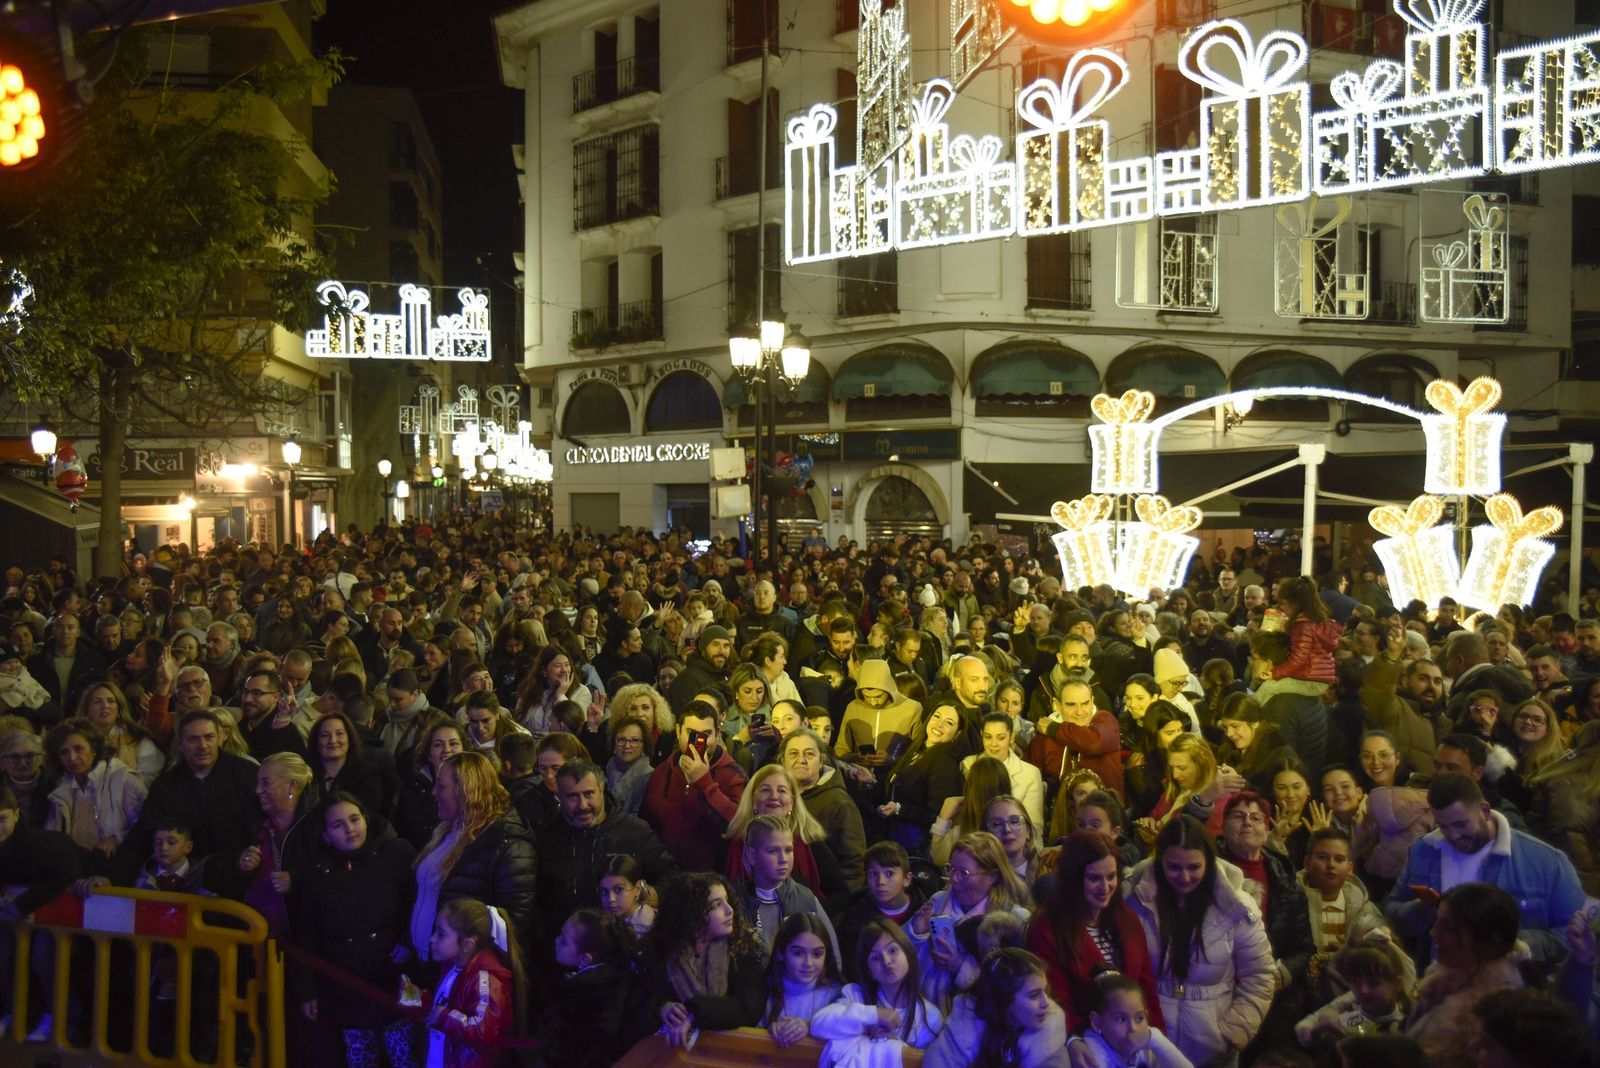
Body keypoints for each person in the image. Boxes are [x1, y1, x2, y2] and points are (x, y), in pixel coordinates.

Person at [1384, 772, 1586, 968]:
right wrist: (1418, 912)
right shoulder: (1423, 850)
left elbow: (1577, 935)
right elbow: (1391, 913)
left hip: (1511, 992)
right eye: (1443, 826)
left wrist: (1514, 945)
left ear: (1485, 811)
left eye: (1461, 824)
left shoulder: (1545, 861)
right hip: (1442, 986)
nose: (1453, 835)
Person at [1124, 815, 1276, 1067]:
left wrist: (1232, 1032)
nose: (1184, 876)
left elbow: (1259, 975)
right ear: (1160, 861)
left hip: (1214, 1049)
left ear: (1208, 861)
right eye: (1174, 867)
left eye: (1193, 867)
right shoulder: (1135, 901)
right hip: (1150, 1044)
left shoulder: (1236, 907)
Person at [293, 792, 419, 1068]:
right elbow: (306, 935)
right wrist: (306, 991)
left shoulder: (397, 854)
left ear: (366, 820)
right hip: (346, 986)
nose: (350, 829)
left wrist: (408, 941)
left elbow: (418, 906)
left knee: (405, 1057)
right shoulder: (316, 874)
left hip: (394, 979)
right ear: (326, 835)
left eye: (354, 819)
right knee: (360, 1059)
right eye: (338, 825)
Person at [1028, 830, 1163, 1032]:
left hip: (1135, 1035)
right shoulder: (1046, 926)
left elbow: (1146, 989)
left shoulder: (1127, 918)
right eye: (1094, 878)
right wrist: (1077, 1038)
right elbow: (1056, 999)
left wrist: (1156, 1037)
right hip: (1083, 1039)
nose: (1105, 887)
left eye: (1111, 876)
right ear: (1073, 878)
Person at [411, 751, 539, 964]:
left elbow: (513, 923)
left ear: (466, 791)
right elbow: (425, 894)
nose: (433, 792)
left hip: (460, 968)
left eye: (441, 786)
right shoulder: (448, 829)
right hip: (430, 960)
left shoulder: (508, 843)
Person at [115, 709, 259, 887]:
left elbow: (262, 829)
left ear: (221, 738)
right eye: (193, 739)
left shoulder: (247, 775)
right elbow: (142, 835)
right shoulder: (166, 786)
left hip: (241, 878)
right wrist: (112, 878)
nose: (203, 745)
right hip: (187, 883)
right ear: (181, 744)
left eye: (209, 737)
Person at [536, 758, 675, 935]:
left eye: (589, 794)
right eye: (572, 796)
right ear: (559, 797)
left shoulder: (635, 832)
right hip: (566, 947)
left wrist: (651, 892)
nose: (582, 805)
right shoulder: (546, 836)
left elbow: (670, 875)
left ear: (602, 790)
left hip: (622, 946)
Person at [639, 871, 767, 1048]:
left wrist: (694, 1014)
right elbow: (641, 1000)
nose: (729, 910)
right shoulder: (659, 951)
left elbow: (750, 1008)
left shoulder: (742, 947)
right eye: (716, 905)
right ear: (691, 912)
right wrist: (662, 1008)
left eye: (727, 900)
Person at [1403, 882, 1526, 1064]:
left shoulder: (1495, 1014)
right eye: (1437, 922)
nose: (1433, 932)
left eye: (1449, 928)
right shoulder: (1445, 978)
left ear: (1490, 941)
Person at [910, 830, 1032, 1007]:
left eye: (964, 872)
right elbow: (903, 964)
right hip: (924, 1012)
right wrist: (917, 934)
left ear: (992, 876)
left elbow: (1011, 991)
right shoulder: (937, 901)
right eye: (950, 869)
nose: (954, 878)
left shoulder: (1013, 922)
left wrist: (960, 966)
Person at [811, 920, 943, 1062]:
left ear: (908, 954)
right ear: (869, 971)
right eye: (875, 958)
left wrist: (895, 1043)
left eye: (892, 950)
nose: (886, 961)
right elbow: (819, 1026)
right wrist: (875, 1014)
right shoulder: (855, 995)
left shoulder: (930, 1016)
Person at [639, 700, 747, 872]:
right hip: (665, 877)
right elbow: (646, 825)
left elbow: (738, 826)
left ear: (718, 734)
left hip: (713, 881)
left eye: (706, 734)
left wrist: (704, 781)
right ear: (678, 731)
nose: (698, 741)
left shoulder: (733, 775)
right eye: (691, 732)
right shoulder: (661, 773)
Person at [924, 947, 1069, 1068]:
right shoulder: (964, 1032)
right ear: (1005, 1000)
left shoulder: (1049, 1035)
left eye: (1046, 991)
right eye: (1034, 995)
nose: (1046, 1003)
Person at [423, 897, 525, 1068]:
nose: (432, 939)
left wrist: (444, 1016)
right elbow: (449, 1004)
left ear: (467, 945)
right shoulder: (452, 964)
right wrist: (422, 999)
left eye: (441, 933)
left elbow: (483, 1029)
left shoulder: (487, 978)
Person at [541, 908, 637, 1068]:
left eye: (564, 941)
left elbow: (559, 1053)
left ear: (585, 959)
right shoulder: (612, 977)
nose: (556, 941)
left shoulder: (582, 995)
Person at [43, 717, 147, 856]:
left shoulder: (124, 780)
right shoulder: (60, 788)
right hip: (73, 867)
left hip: (117, 866)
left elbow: (145, 830)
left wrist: (117, 838)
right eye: (64, 752)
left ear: (94, 748)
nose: (72, 758)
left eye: (78, 749)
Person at [238, 752, 315, 936]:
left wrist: (296, 881)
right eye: (258, 783)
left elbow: (333, 876)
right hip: (259, 933)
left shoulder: (317, 826)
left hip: (303, 935)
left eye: (266, 782)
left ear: (292, 786)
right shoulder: (254, 824)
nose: (257, 790)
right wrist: (243, 865)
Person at [1293, 939, 1412, 1053]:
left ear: (1397, 984)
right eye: (1355, 982)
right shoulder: (1342, 1026)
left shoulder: (1411, 1022)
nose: (1364, 990)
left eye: (1373, 983)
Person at [782, 729, 867, 890]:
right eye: (793, 754)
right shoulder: (775, 799)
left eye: (809, 754)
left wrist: (839, 905)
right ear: (782, 760)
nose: (801, 760)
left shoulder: (839, 802)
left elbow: (854, 863)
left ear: (821, 762)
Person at [834, 840, 929, 981]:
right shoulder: (854, 917)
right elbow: (852, 970)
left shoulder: (924, 913)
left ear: (907, 879)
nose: (881, 881)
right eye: (873, 874)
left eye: (889, 873)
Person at [879, 703, 966, 855]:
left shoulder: (945, 765)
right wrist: (871, 781)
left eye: (949, 722)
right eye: (937, 716)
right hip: (895, 837)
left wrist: (900, 809)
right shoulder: (916, 751)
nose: (939, 724)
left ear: (957, 734)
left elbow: (937, 815)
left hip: (915, 846)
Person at [1069, 972, 1194, 1068]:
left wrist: (1155, 1038)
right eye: (1121, 1019)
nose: (1133, 1028)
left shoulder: (1147, 1037)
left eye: (1140, 1018)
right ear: (1097, 1022)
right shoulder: (1092, 1047)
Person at [761, 913, 843, 1048]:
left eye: (817, 954)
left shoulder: (837, 994)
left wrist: (810, 1026)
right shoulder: (762, 990)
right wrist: (768, 1032)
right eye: (798, 953)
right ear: (781, 953)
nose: (808, 963)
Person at [835, 658, 920, 763]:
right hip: (860, 775)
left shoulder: (912, 708)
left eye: (878, 696)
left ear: (889, 688)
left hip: (898, 776)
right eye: (867, 697)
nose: (873, 702)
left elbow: (918, 752)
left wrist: (893, 759)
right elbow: (841, 749)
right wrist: (855, 757)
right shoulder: (853, 708)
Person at [1269, 577, 1341, 694]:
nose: (1281, 608)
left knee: (1267, 688)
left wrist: (1273, 673)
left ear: (1296, 604)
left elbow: (1298, 660)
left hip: (1309, 678)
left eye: (1283, 603)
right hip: (1321, 679)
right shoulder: (1317, 623)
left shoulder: (1303, 627)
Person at [605, 714, 654, 815]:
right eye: (622, 740)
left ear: (644, 745)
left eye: (635, 740)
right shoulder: (609, 768)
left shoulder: (650, 777)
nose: (627, 746)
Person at [599, 854, 657, 938]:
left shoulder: (646, 928)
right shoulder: (605, 924)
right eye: (604, 891)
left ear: (637, 889)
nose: (611, 899)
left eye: (619, 889)